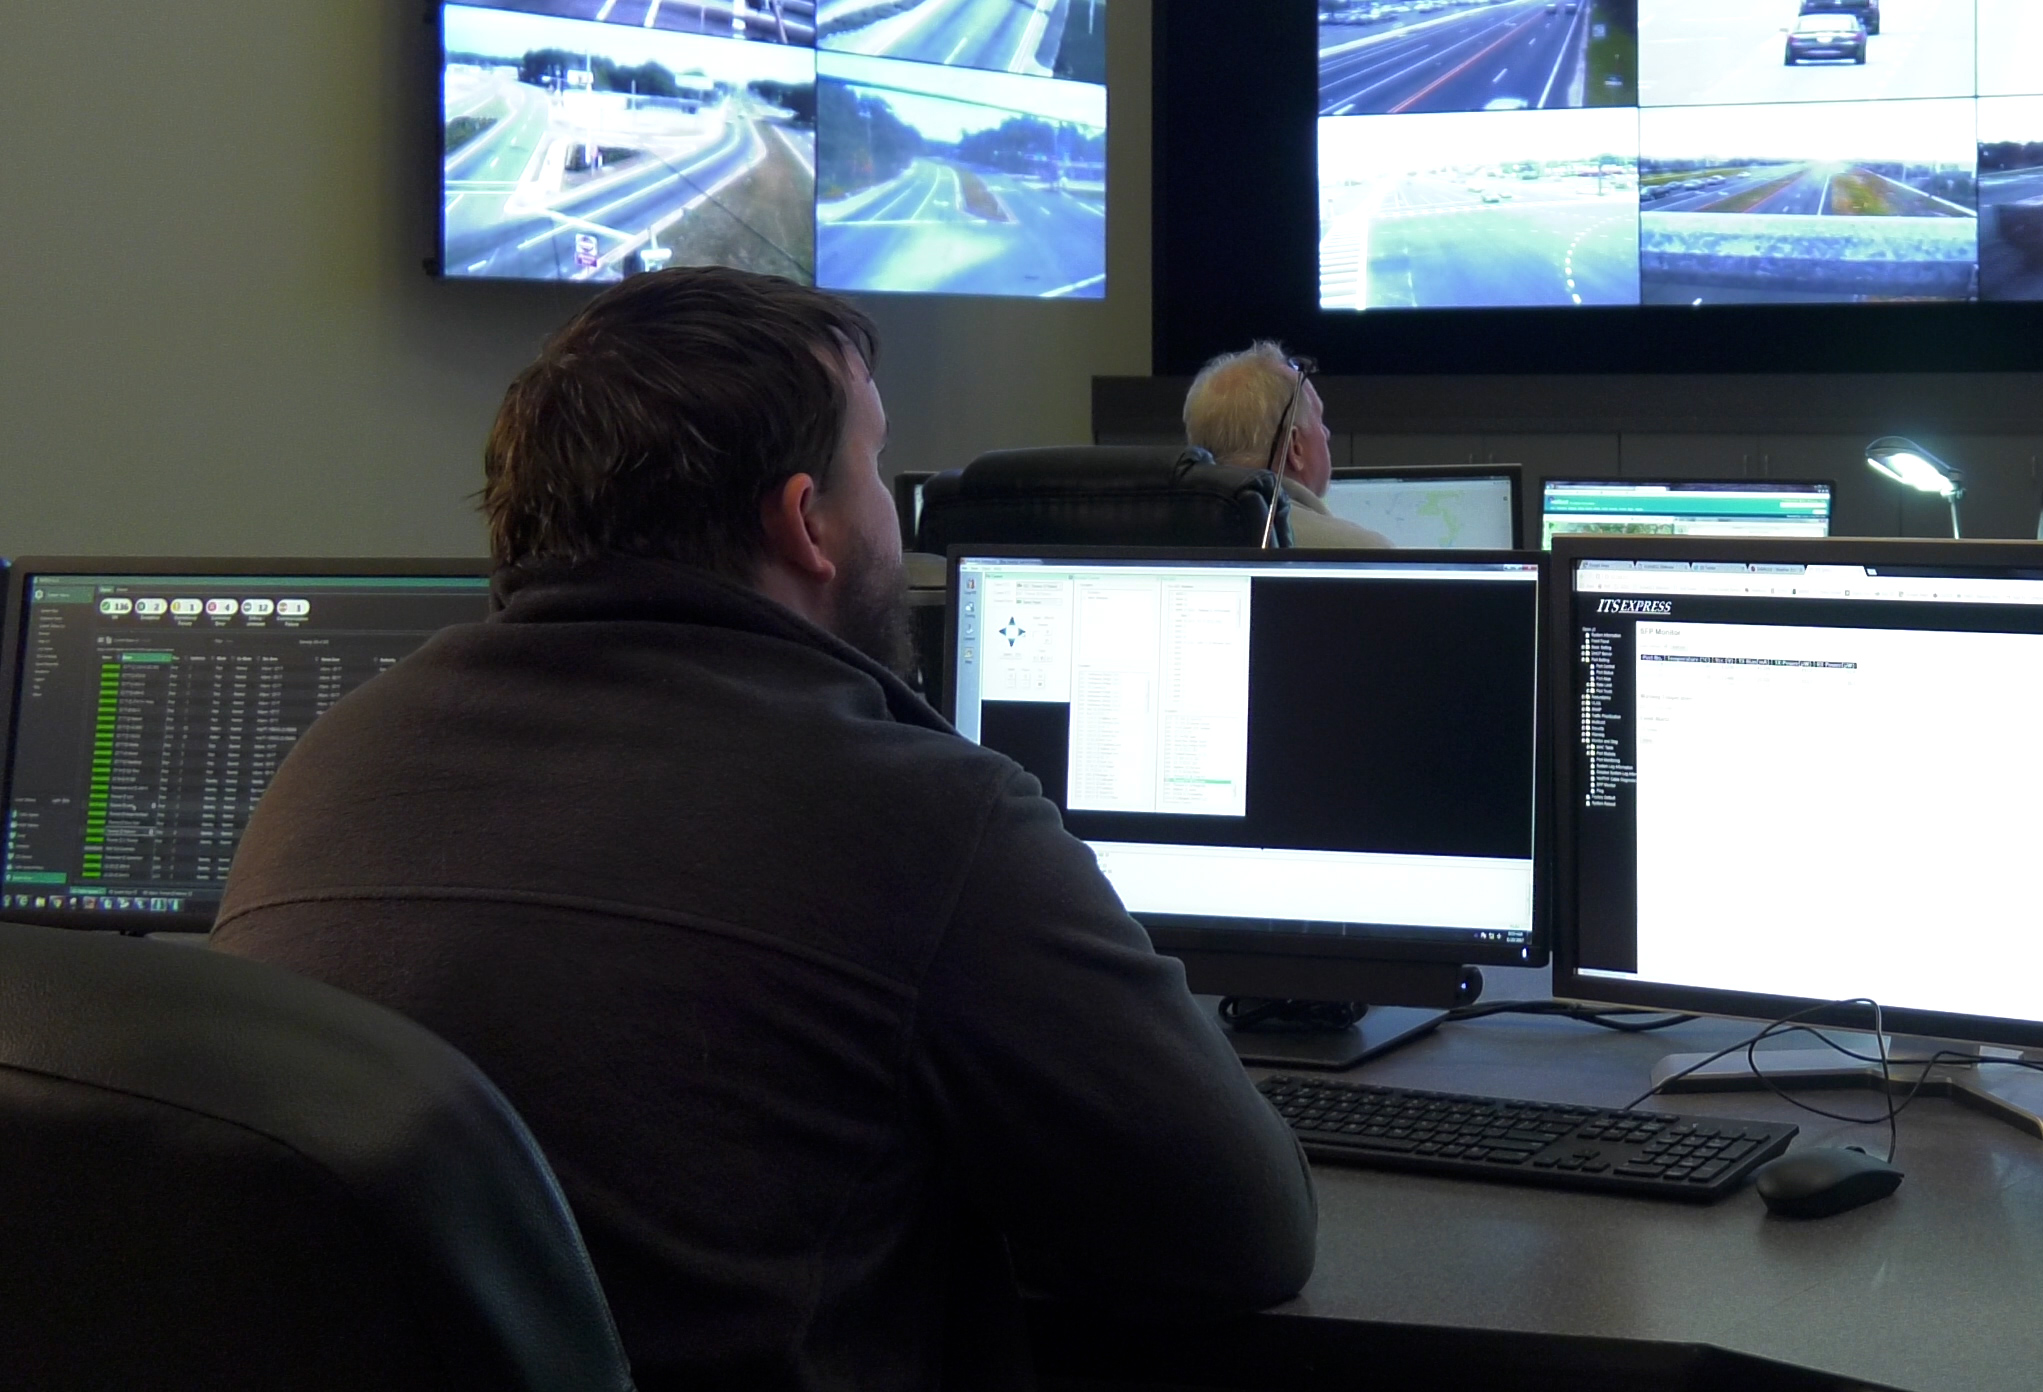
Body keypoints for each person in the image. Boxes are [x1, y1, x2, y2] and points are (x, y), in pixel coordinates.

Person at [214, 270, 1314, 1391]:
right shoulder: (920, 809)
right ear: (806, 523)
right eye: (877, 468)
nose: (894, 508)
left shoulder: (330, 761)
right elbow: (1245, 1234)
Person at [1183, 341, 1389, 549]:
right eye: (1319, 421)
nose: (1327, 434)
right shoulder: (1366, 553)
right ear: (1295, 447)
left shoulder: (1162, 536)